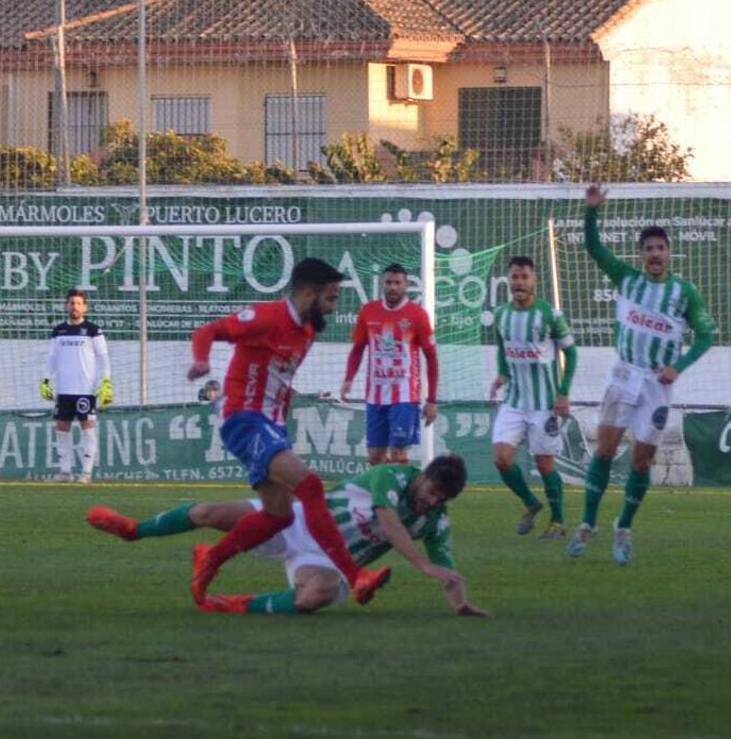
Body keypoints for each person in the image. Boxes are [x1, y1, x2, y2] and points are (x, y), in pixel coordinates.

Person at [185, 257, 392, 607]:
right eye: (329, 298)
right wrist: (201, 359)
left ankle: (212, 557)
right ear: (308, 293)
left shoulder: (308, 330)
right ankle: (356, 576)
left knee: (278, 515)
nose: (333, 306)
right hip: (244, 418)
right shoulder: (266, 317)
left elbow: (277, 373)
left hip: (272, 424)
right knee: (310, 486)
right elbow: (208, 331)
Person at [88, 456, 485, 616]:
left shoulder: (436, 521)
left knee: (315, 598)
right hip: (296, 521)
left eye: (441, 499)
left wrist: (460, 604)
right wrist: (420, 563)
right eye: (431, 491)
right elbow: (388, 518)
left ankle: (229, 604)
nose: (431, 502)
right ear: (423, 476)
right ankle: (133, 530)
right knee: (208, 512)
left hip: (327, 562)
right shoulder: (393, 475)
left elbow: (447, 570)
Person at [569, 184, 716, 566]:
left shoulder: (684, 293)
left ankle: (623, 527)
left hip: (656, 384)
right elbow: (595, 250)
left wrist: (678, 367)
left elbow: (707, 335)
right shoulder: (627, 279)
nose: (654, 254)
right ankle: (587, 523)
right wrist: (591, 212)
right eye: (648, 249)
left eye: (660, 248)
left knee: (642, 460)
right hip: (623, 374)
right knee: (604, 449)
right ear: (641, 254)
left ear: (669, 253)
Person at [489, 256, 577, 540]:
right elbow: (502, 346)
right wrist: (502, 374)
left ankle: (559, 520)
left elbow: (571, 352)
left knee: (544, 465)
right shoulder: (501, 314)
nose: (519, 283)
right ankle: (530, 502)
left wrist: (563, 393)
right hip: (514, 401)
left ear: (534, 280)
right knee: (501, 459)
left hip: (544, 404)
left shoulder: (550, 315)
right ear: (509, 281)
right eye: (515, 277)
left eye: (524, 277)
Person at [340, 262, 439, 465]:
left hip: (404, 395)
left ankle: (399, 497)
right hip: (375, 396)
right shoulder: (368, 311)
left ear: (406, 285)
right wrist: (348, 379)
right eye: (388, 282)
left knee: (398, 455)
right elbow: (357, 349)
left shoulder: (417, 315)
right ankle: (388, 494)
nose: (393, 287)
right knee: (375, 458)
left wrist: (431, 400)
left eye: (397, 283)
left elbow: (431, 358)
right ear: (382, 284)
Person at [40, 288, 113, 484]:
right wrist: (46, 380)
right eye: (72, 303)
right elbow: (52, 358)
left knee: (87, 427)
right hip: (64, 390)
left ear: (85, 308)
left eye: (79, 303)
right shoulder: (58, 330)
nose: (75, 307)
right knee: (61, 427)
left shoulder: (93, 330)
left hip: (85, 390)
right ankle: (65, 472)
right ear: (66, 306)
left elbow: (103, 358)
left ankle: (86, 473)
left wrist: (106, 381)